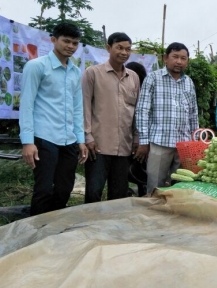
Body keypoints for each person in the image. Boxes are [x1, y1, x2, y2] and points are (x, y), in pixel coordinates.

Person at [19, 23, 88, 216]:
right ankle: (36, 228)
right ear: (53, 40)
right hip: (44, 137)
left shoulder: (75, 72)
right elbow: (27, 105)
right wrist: (28, 142)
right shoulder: (37, 66)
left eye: (75, 43)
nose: (71, 46)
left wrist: (81, 139)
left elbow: (77, 108)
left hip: (69, 139)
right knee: (44, 189)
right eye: (66, 41)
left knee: (64, 188)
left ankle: (55, 227)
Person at [82, 32, 140, 203]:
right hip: (98, 146)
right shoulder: (93, 73)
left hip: (124, 147)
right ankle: (91, 221)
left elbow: (136, 110)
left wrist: (137, 137)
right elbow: (84, 106)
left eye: (128, 49)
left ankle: (113, 221)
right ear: (108, 48)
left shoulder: (133, 77)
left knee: (119, 195)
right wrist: (87, 136)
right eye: (119, 48)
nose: (124, 52)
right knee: (94, 192)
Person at [134, 42, 199, 193]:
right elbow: (142, 111)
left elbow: (193, 114)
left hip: (183, 145)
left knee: (181, 187)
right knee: (155, 187)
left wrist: (194, 141)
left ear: (187, 61)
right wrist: (143, 142)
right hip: (159, 143)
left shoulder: (188, 82)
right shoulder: (153, 78)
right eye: (175, 57)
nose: (179, 61)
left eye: (183, 58)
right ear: (165, 58)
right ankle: (154, 208)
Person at [125, 61, 148, 197]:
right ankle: (140, 188)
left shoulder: (142, 93)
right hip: (135, 135)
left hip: (135, 135)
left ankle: (136, 188)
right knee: (138, 164)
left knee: (135, 164)